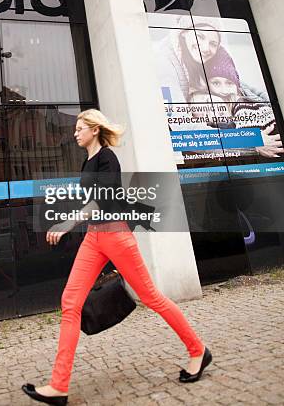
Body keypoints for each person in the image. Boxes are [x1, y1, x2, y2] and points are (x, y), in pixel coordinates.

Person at [21, 109, 212, 405]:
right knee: (70, 302)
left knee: (151, 297)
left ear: (95, 130)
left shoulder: (108, 158)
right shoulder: (88, 161)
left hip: (116, 236)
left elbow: (103, 201)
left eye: (80, 128)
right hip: (94, 238)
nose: (75, 133)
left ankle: (198, 350)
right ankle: (59, 386)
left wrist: (67, 223)